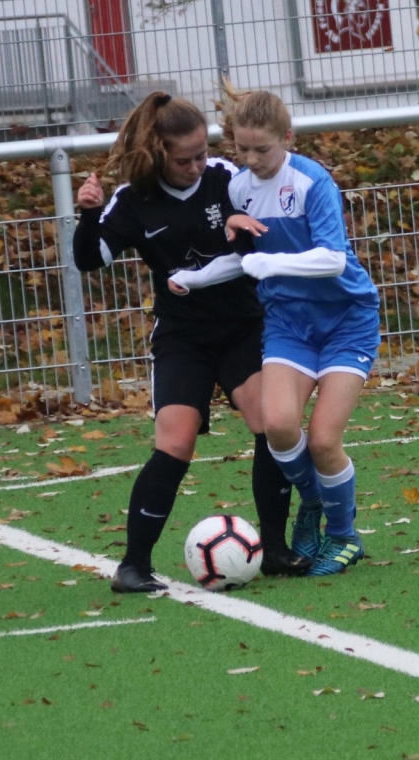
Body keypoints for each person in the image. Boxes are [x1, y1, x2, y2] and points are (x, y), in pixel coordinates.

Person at [69, 90, 309, 592]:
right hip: (182, 338)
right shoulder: (133, 200)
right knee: (175, 441)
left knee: (269, 424)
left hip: (244, 327)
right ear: (158, 154)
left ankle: (275, 547)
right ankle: (133, 565)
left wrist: (246, 231)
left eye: (203, 152)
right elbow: (92, 259)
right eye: (186, 159)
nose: (199, 165)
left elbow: (263, 236)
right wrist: (88, 215)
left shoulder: (227, 179)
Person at [168, 89, 382, 577]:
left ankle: (345, 538)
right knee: (280, 425)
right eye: (241, 150)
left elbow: (331, 258)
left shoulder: (312, 182)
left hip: (346, 319)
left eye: (261, 149)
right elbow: (247, 261)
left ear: (286, 138)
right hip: (289, 322)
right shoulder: (240, 189)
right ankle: (313, 503)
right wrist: (196, 277)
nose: (250, 160)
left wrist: (269, 262)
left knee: (324, 440)